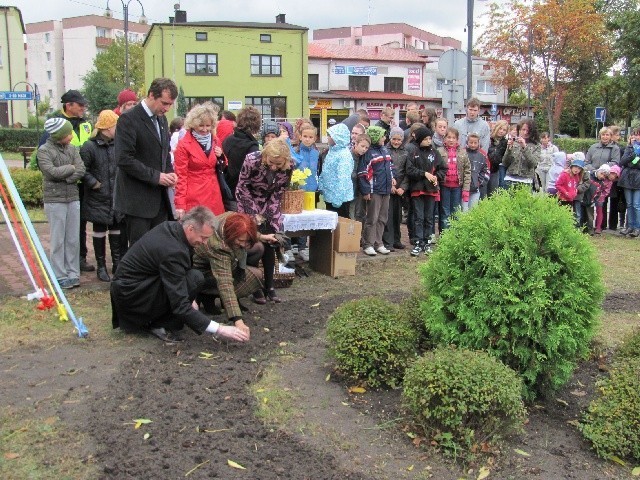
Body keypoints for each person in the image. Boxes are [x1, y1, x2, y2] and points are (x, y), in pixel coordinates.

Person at [110, 206, 249, 343]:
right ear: (190, 229)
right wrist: (219, 329)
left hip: (133, 288)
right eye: (203, 238)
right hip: (132, 298)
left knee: (194, 278)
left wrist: (191, 299)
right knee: (194, 279)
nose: (205, 243)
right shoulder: (173, 251)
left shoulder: (171, 228)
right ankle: (157, 323)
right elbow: (180, 303)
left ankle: (164, 319)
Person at [114, 77, 178, 247]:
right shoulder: (129, 119)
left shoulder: (162, 120)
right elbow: (123, 159)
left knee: (158, 249)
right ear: (151, 95)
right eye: (164, 103)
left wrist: (170, 172)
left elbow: (164, 153)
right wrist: (156, 176)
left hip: (159, 201)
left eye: (170, 104)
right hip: (137, 202)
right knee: (140, 252)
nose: (167, 108)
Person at [38, 89, 94, 273]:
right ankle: (60, 269)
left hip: (80, 184)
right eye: (80, 105)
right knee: (60, 235)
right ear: (68, 105)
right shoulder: (54, 126)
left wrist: (75, 172)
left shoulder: (85, 125)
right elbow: (49, 169)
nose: (83, 108)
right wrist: (71, 170)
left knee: (79, 226)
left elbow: (81, 164)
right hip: (59, 190)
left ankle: (79, 259)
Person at [235, 139, 292, 303]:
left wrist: (269, 214)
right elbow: (242, 186)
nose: (274, 167)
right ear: (265, 155)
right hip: (247, 201)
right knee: (253, 242)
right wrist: (253, 214)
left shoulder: (289, 166)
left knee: (271, 240)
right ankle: (255, 286)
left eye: (279, 164)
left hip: (269, 204)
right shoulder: (252, 160)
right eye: (271, 162)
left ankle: (269, 285)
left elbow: (280, 190)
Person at [193, 211, 266, 334]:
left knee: (258, 250)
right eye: (240, 241)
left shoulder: (230, 218)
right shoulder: (218, 246)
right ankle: (205, 293)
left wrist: (263, 236)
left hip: (214, 266)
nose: (244, 244)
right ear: (231, 235)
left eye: (246, 241)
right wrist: (238, 320)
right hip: (200, 275)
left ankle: (211, 296)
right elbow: (225, 283)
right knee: (254, 275)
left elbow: (244, 230)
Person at [38, 118, 86, 289]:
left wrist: (68, 176)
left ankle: (73, 272)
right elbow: (51, 172)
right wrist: (71, 168)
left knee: (73, 238)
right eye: (68, 134)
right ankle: (59, 274)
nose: (71, 137)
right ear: (59, 135)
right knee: (58, 239)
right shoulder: (44, 151)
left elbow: (81, 168)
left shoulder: (73, 149)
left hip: (73, 198)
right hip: (54, 200)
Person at [80, 110, 122, 282]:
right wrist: (94, 183)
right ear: (107, 127)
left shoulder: (117, 144)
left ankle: (117, 264)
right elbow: (82, 169)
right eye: (115, 125)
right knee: (99, 231)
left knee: (116, 230)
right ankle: (101, 266)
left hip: (115, 196)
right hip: (98, 196)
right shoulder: (90, 147)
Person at [173, 102, 225, 219]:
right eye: (201, 126)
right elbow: (180, 176)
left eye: (208, 125)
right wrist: (180, 204)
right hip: (194, 194)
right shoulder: (183, 145)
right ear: (193, 124)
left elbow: (223, 165)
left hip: (214, 193)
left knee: (214, 229)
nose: (205, 129)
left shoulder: (215, 140)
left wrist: (221, 156)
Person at [406, 126, 446, 256]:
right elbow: (410, 170)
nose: (429, 141)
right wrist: (424, 174)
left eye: (430, 138)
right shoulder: (414, 152)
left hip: (431, 190)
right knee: (419, 217)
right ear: (419, 139)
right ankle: (418, 242)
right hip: (417, 190)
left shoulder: (435, 153)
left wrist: (436, 177)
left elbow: (443, 168)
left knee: (429, 218)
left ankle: (428, 242)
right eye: (426, 138)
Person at [358, 125, 395, 256]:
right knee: (372, 218)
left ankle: (378, 243)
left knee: (382, 218)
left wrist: (393, 179)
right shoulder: (368, 153)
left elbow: (390, 166)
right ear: (375, 137)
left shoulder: (385, 150)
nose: (385, 138)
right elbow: (363, 173)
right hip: (374, 190)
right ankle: (368, 243)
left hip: (386, 189)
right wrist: (366, 191)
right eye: (382, 136)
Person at [222, 106, 261, 208]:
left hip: (227, 191)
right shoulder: (252, 146)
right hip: (244, 194)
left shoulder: (228, 140)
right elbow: (254, 173)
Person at [292, 124, 320, 261]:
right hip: (297, 190)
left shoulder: (316, 153)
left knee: (306, 220)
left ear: (315, 138)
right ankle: (291, 246)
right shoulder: (295, 151)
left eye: (310, 137)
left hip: (311, 190)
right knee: (294, 218)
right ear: (300, 136)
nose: (307, 139)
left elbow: (317, 171)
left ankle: (303, 247)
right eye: (305, 136)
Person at [436, 127, 471, 230]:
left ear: (457, 139)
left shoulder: (463, 152)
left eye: (453, 138)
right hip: (444, 186)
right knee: (445, 211)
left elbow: (467, 171)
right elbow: (436, 170)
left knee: (456, 211)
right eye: (449, 137)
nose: (451, 140)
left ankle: (454, 235)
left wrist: (466, 189)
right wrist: (437, 188)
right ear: (444, 138)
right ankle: (445, 235)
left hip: (457, 186)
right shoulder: (439, 151)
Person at [318, 123, 355, 218]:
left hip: (340, 199)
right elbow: (325, 170)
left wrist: (338, 199)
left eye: (330, 135)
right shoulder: (332, 151)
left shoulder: (344, 155)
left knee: (341, 225)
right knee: (331, 225)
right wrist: (321, 185)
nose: (328, 138)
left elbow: (344, 178)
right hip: (330, 196)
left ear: (338, 137)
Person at [383, 127, 408, 251]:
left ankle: (397, 240)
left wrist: (403, 187)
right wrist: (390, 185)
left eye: (399, 140)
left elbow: (407, 171)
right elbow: (384, 169)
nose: (396, 142)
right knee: (388, 215)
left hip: (400, 188)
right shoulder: (385, 150)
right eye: (394, 139)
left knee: (397, 215)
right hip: (388, 187)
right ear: (390, 138)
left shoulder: (405, 152)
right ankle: (388, 241)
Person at [502, 119, 541, 189]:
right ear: (519, 130)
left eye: (528, 131)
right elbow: (505, 162)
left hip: (526, 181)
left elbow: (533, 163)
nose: (525, 133)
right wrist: (509, 150)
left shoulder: (536, 145)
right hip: (510, 179)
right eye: (523, 130)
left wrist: (525, 147)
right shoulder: (514, 142)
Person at [618, 134, 640, 237]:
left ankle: (637, 227)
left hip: (638, 179)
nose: (634, 139)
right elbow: (622, 162)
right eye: (632, 137)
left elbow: (635, 165)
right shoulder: (628, 149)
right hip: (627, 179)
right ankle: (630, 226)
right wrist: (633, 156)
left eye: (637, 137)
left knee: (636, 204)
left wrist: (633, 162)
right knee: (629, 204)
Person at [556, 157, 585, 224]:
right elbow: (558, 185)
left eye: (579, 168)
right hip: (562, 198)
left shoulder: (577, 176)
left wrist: (575, 192)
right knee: (561, 215)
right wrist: (565, 192)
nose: (577, 169)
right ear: (571, 167)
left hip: (570, 199)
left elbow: (575, 186)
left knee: (568, 215)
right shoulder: (564, 174)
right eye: (575, 167)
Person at [464, 133, 488, 211]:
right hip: (463, 189)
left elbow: (486, 170)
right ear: (467, 142)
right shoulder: (462, 153)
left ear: (478, 143)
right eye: (471, 142)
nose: (473, 145)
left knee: (473, 210)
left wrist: (479, 183)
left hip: (476, 189)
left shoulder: (482, 155)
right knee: (463, 210)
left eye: (475, 143)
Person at [487, 120, 509, 197]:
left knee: (493, 192)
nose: (501, 131)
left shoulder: (505, 142)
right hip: (486, 168)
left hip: (496, 170)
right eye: (500, 128)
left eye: (504, 130)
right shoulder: (488, 139)